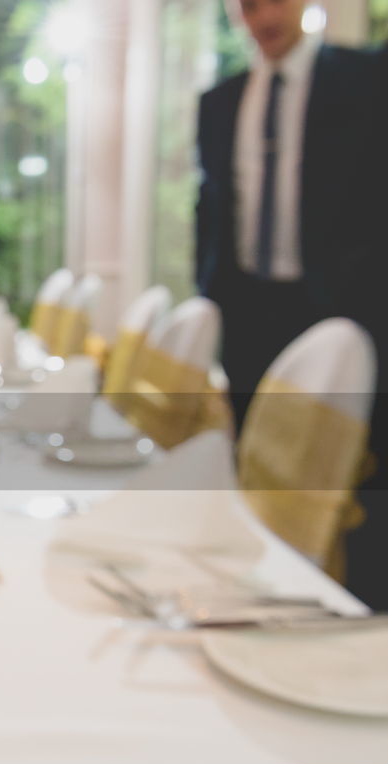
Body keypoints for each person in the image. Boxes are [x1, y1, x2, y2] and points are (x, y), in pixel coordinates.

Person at [196, 1, 388, 605]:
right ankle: (256, 602)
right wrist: (212, 296)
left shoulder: (365, 79)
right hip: (251, 307)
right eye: (247, 5)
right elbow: (213, 206)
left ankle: (353, 615)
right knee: (261, 467)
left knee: (351, 473)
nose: (262, 15)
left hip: (343, 305)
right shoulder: (220, 101)